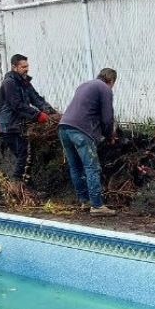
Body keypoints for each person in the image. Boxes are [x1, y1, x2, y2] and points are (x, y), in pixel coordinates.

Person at [58, 67, 118, 216]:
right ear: (111, 81)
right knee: (92, 167)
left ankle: (84, 201)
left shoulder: (85, 85)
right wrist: (110, 135)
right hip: (80, 131)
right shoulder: (105, 88)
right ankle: (97, 206)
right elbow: (107, 118)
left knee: (75, 167)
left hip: (63, 128)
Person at [0, 53, 56, 182]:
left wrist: (51, 113)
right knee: (23, 155)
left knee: (23, 156)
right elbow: (17, 105)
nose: (26, 69)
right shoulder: (9, 83)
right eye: (23, 67)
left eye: (27, 66)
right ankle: (16, 184)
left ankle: (24, 183)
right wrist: (38, 115)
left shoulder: (24, 82)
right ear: (14, 67)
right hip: (8, 126)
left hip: (18, 125)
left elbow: (37, 99)